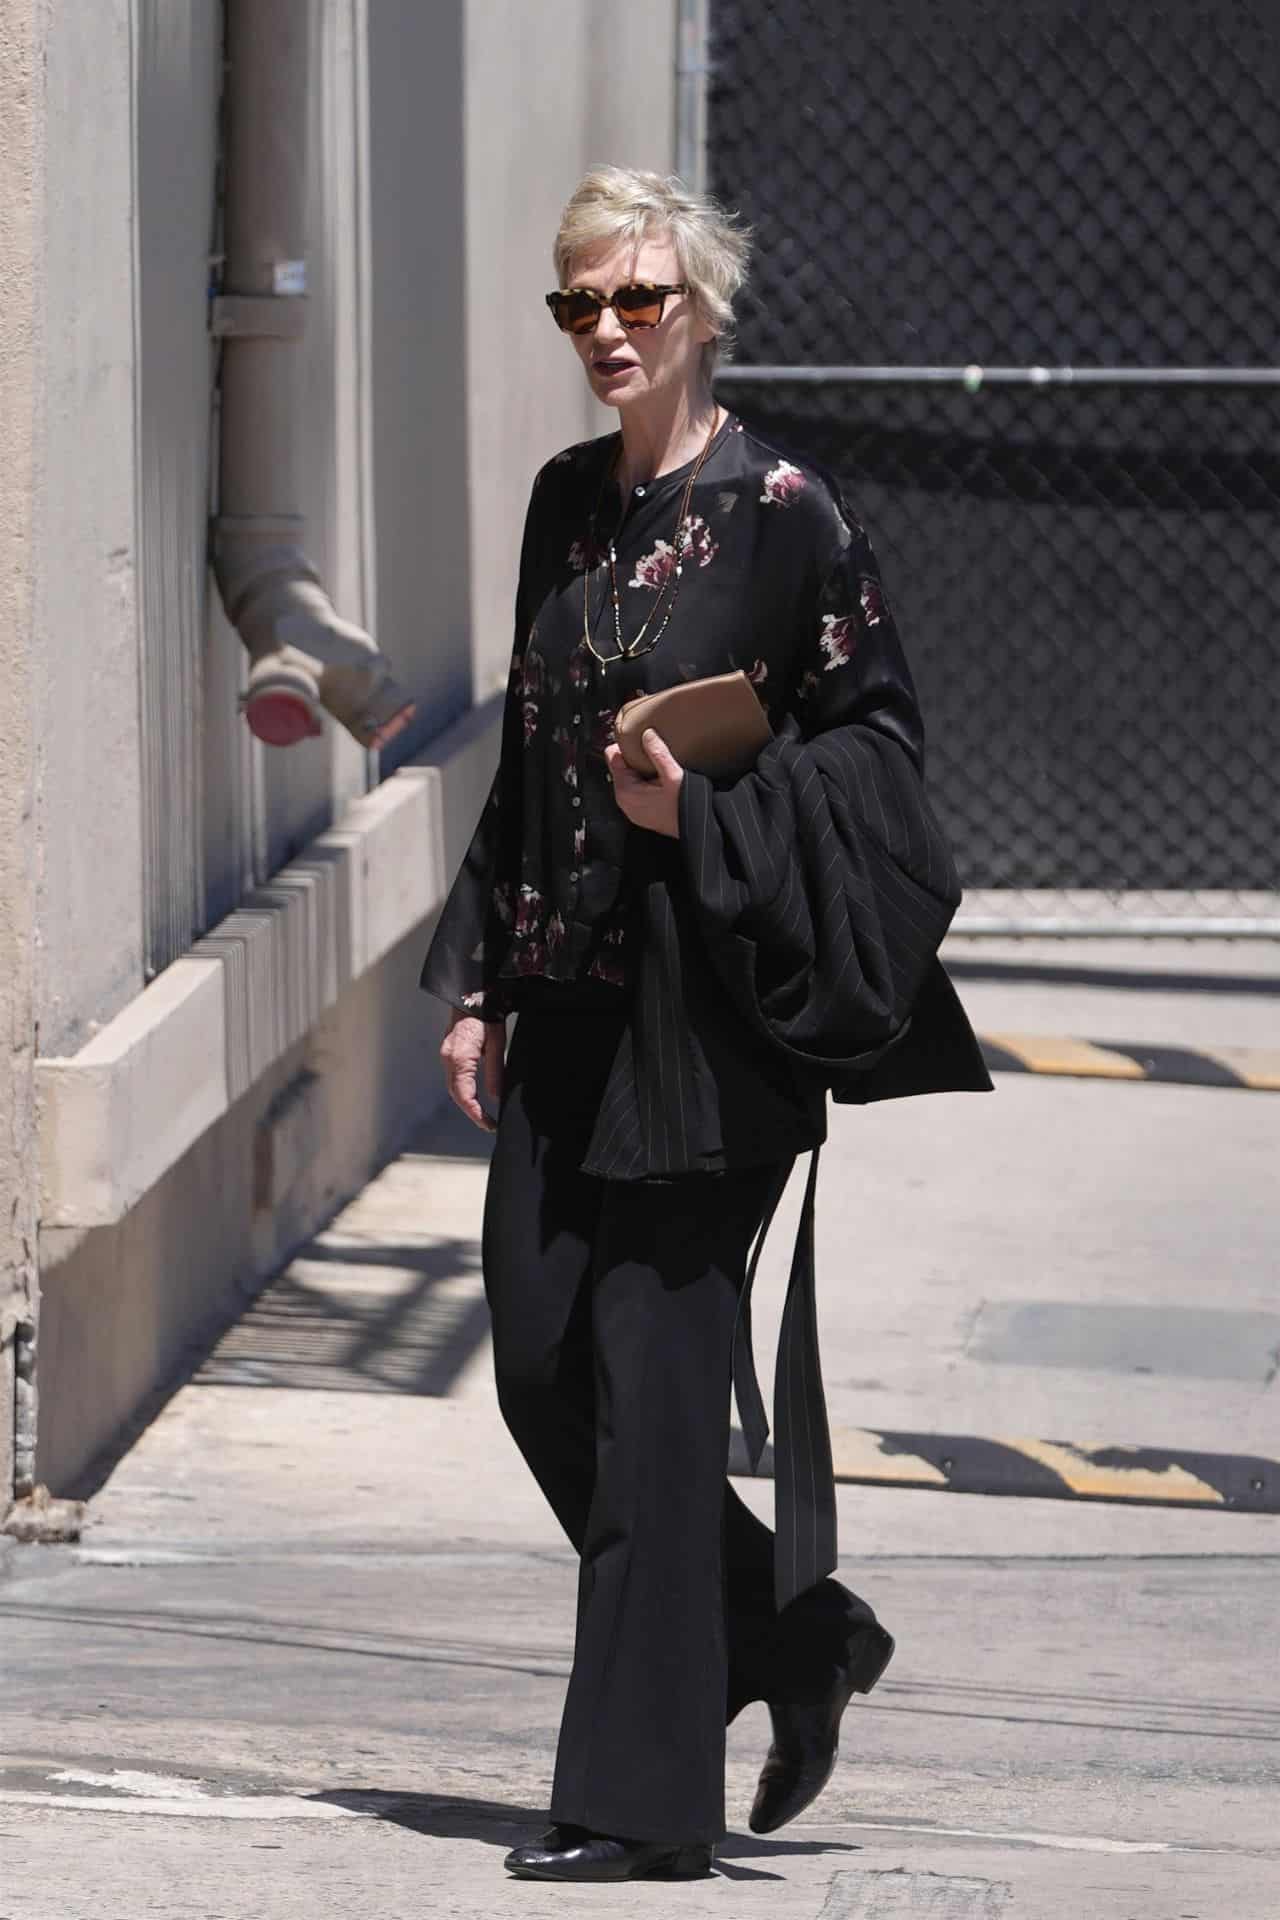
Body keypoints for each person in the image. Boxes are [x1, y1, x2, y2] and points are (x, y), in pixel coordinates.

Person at [418, 165, 992, 1885]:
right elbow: (524, 762)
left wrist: (709, 824)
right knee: (540, 1373)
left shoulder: (787, 515)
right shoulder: (561, 508)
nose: (607, 329)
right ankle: (785, 1639)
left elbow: (879, 763)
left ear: (705, 307)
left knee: (658, 1409)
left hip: (703, 1028)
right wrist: (476, 975)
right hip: (567, 1011)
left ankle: (636, 1805)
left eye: (637, 298)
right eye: (579, 303)